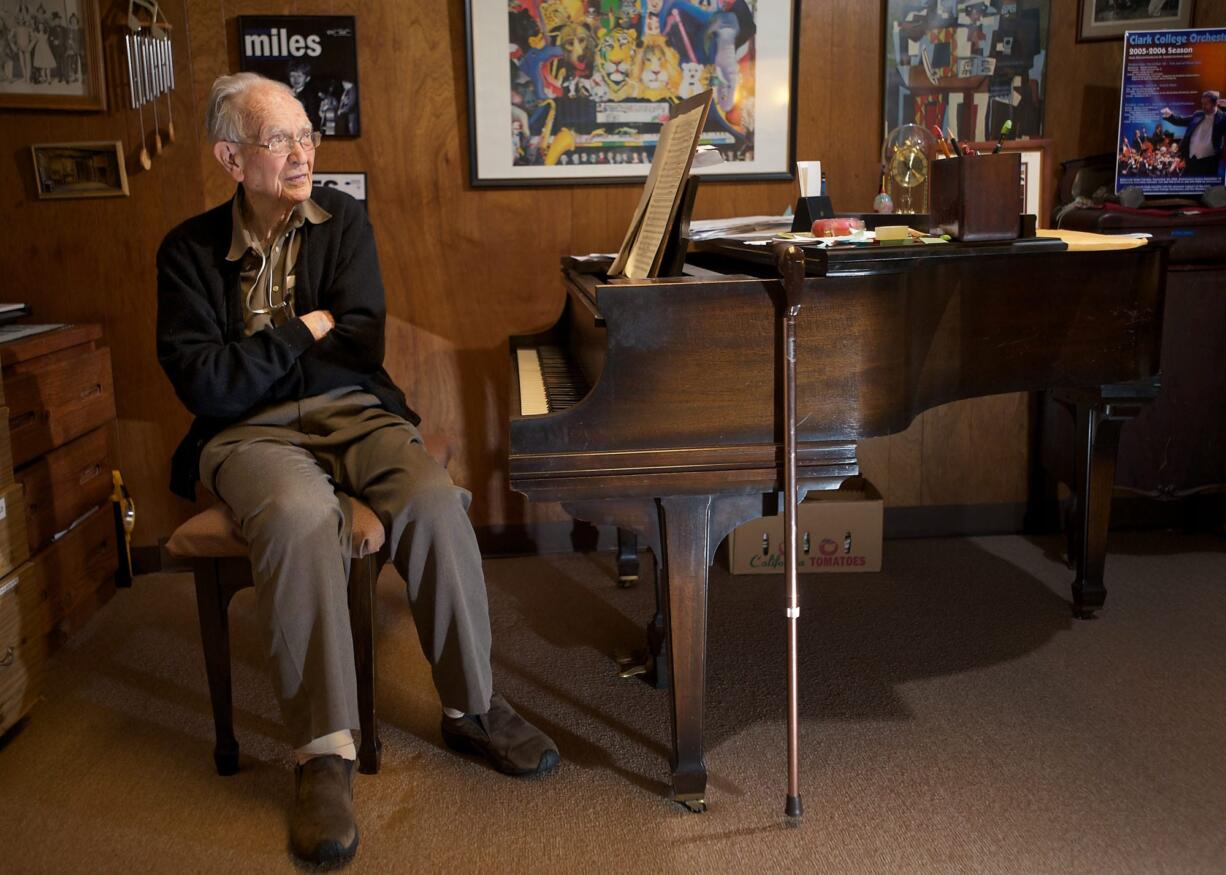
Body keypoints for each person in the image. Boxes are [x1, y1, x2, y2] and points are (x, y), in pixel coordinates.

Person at [156, 72, 559, 867]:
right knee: (304, 518)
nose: (306, 153)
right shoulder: (186, 252)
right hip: (245, 436)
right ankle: (323, 752)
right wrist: (307, 329)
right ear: (231, 158)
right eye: (282, 140)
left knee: (435, 501)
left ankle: (472, 706)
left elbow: (362, 340)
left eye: (309, 135)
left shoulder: (343, 221)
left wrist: (264, 354)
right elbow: (204, 384)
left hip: (355, 407)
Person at [1162, 90, 1226, 177]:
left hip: (1209, 163)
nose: (1203, 106)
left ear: (1215, 104)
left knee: (1207, 188)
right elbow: (1181, 121)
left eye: (1206, 103)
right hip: (1191, 160)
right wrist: (1170, 115)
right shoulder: (1198, 114)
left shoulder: (1222, 118)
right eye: (1202, 103)